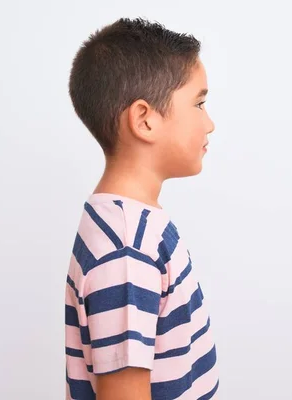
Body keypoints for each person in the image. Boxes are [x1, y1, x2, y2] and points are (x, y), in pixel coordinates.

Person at [64, 17, 219, 400]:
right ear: (144, 120)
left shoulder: (131, 228)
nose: (210, 123)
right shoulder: (127, 251)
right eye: (199, 103)